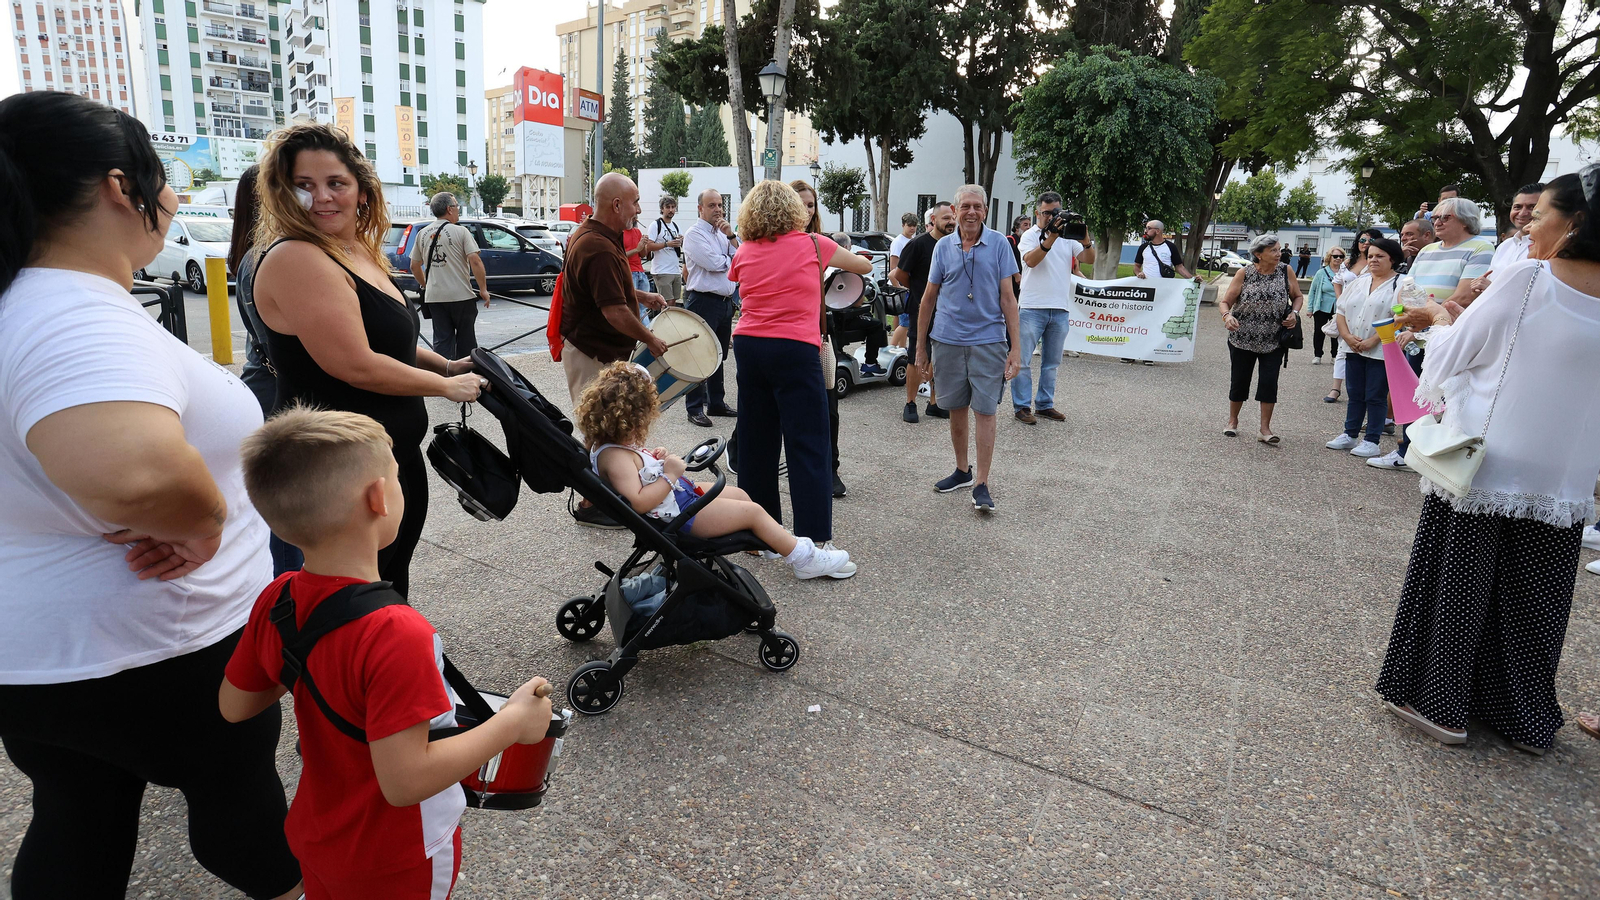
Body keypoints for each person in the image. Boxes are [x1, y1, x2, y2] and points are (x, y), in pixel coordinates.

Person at [0, 90, 302, 900]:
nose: (169, 199)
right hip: (161, 646)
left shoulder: (18, 306)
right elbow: (135, 473)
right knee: (242, 817)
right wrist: (201, 525)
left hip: (33, 655)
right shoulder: (70, 314)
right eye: (160, 179)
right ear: (114, 187)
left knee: (75, 813)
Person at [225, 407, 555, 897]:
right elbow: (405, 782)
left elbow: (235, 705)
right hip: (395, 858)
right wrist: (511, 723)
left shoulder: (280, 598)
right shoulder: (397, 632)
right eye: (397, 477)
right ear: (379, 498)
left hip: (318, 835)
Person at [1375, 169, 1600, 755]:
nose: (1526, 229)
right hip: (1565, 478)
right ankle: (1521, 716)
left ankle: (1440, 703)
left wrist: (1440, 318)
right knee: (1535, 600)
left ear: (1575, 223)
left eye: (1538, 216)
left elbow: (1454, 354)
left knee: (1460, 586)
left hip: (1488, 464)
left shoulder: (1529, 279)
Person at [252, 123, 488, 596]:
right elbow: (355, 363)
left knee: (387, 589)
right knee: (355, 601)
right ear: (283, 193)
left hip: (384, 458)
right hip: (335, 472)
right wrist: (444, 388)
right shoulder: (297, 257)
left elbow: (390, 343)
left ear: (361, 190)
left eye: (335, 183)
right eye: (304, 186)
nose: (321, 197)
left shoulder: (353, 249)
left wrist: (445, 366)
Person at [578, 362, 855, 579]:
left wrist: (654, 458)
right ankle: (804, 558)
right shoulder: (615, 458)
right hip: (675, 518)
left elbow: (636, 474)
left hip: (676, 503)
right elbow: (638, 501)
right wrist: (670, 473)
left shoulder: (612, 446)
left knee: (741, 495)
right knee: (753, 513)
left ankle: (775, 542)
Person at [729, 180, 872, 556]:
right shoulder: (813, 244)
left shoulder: (744, 250)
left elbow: (737, 281)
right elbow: (864, 265)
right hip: (794, 346)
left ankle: (759, 536)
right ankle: (813, 536)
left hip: (749, 344)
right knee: (808, 441)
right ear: (795, 210)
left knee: (757, 442)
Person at [1367, 197, 1495, 472]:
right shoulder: (1428, 251)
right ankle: (1407, 451)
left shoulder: (1481, 247)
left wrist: (1426, 317)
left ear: (1466, 220)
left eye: (1444, 217)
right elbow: (1409, 287)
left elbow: (1465, 295)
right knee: (1414, 393)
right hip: (1418, 331)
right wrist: (1410, 321)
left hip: (1450, 335)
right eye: (1435, 217)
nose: (1436, 222)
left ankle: (1440, 456)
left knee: (1448, 398)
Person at [914, 184, 1021, 512]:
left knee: (986, 411)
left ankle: (982, 483)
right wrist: (920, 348)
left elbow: (1008, 297)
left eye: (977, 206)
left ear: (985, 211)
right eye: (965, 207)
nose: (971, 212)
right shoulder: (943, 247)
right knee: (955, 409)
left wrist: (1016, 349)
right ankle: (962, 470)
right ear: (955, 211)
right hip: (946, 341)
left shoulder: (1000, 244)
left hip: (988, 342)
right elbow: (928, 297)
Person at [228, 165, 304, 577]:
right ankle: (288, 607)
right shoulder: (270, 257)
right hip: (278, 393)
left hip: (262, 384)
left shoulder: (252, 254)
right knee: (288, 514)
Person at [791, 181, 852, 497]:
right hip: (786, 336)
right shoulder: (770, 243)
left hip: (820, 332)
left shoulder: (821, 244)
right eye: (799, 203)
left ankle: (831, 471)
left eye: (811, 205)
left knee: (828, 408)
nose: (805, 210)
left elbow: (859, 272)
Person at [1013, 191, 1095, 424]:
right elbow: (1031, 260)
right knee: (1023, 361)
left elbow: (1089, 259)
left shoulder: (1068, 238)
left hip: (1059, 307)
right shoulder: (1030, 235)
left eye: (1056, 212)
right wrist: (1052, 236)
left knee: (1052, 363)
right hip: (1031, 307)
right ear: (1037, 212)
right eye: (1047, 212)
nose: (1052, 217)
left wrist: (1085, 237)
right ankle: (1021, 407)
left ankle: (1045, 404)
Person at [1218, 234, 1302, 443]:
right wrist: (1227, 316)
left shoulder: (1286, 271)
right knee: (1239, 381)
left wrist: (1295, 313)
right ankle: (1232, 421)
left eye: (1279, 249)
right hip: (1242, 338)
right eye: (1273, 250)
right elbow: (1225, 302)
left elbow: (1297, 296)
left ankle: (1265, 430)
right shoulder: (1244, 273)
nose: (1278, 254)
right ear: (1258, 254)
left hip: (1274, 340)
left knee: (1268, 383)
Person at [1324, 238, 1403, 458]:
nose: (1374, 260)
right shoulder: (1360, 281)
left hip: (1380, 349)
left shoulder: (1401, 283)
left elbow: (1399, 317)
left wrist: (1373, 340)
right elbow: (1341, 311)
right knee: (1356, 393)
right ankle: (1349, 434)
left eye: (1380, 256)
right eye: (1370, 256)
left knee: (1375, 395)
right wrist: (1348, 337)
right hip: (1353, 347)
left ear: (1392, 259)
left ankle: (1372, 440)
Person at [682, 188, 740, 427]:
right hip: (703, 301)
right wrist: (732, 259)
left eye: (719, 205)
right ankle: (694, 407)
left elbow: (743, 256)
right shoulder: (694, 234)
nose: (718, 210)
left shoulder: (722, 234)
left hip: (725, 303)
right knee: (698, 355)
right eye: (712, 205)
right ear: (700, 209)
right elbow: (715, 264)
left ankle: (716, 402)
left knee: (718, 356)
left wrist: (730, 236)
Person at [409, 191, 491, 359]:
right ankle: (465, 378)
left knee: (442, 341)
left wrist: (426, 284)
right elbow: (475, 261)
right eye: (456, 206)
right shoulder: (461, 232)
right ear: (449, 209)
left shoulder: (422, 233)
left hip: (435, 297)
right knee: (466, 341)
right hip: (461, 296)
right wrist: (483, 289)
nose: (458, 210)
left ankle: (444, 378)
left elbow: (414, 266)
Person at [893, 202, 954, 423]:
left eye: (952, 218)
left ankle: (934, 403)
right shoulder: (918, 244)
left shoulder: (954, 244)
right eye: (945, 217)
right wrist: (921, 292)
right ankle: (910, 403)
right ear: (933, 220)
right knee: (915, 357)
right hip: (921, 310)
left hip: (947, 313)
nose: (950, 222)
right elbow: (900, 274)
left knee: (941, 358)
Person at [1130, 219, 1199, 364]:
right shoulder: (1143, 248)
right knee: (1139, 321)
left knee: (1155, 322)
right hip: (1145, 291)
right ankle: (1132, 351)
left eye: (1148, 228)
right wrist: (1138, 274)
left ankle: (1149, 354)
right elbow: (1136, 266)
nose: (1145, 231)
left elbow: (1179, 267)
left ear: (1158, 231)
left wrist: (1192, 279)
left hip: (1162, 292)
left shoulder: (1170, 247)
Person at [1473, 183, 1543, 292]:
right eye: (1517, 207)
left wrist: (1491, 289)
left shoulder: (1548, 247)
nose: (1523, 213)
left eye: (1532, 207)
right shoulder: (1505, 246)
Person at [1304, 246, 1345, 366]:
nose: (1338, 258)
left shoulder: (1345, 272)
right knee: (1319, 331)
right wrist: (1310, 309)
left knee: (1337, 332)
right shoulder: (1321, 273)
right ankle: (1317, 355)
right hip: (1322, 306)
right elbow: (1313, 291)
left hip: (1338, 307)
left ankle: (1335, 355)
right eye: (1335, 256)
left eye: (1341, 256)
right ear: (1329, 257)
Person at [646, 196, 685, 306]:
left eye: (673, 207)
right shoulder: (656, 225)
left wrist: (681, 240)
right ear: (662, 209)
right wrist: (666, 244)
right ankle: (663, 322)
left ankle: (669, 323)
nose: (671, 210)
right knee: (666, 302)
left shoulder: (675, 226)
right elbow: (649, 246)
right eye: (668, 207)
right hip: (662, 270)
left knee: (674, 302)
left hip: (675, 269)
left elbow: (680, 242)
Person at [623, 213, 653, 321]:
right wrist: (636, 249)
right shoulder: (621, 233)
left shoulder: (637, 232)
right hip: (629, 272)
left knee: (642, 308)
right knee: (633, 307)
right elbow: (620, 256)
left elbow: (643, 255)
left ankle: (647, 331)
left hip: (640, 272)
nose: (635, 218)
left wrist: (644, 245)